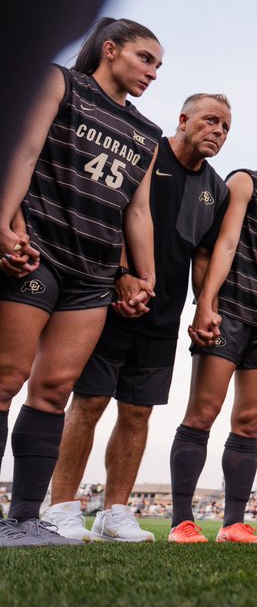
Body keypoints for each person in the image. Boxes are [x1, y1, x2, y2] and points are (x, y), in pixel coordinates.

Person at [0, 17, 162, 546]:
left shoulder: (147, 133)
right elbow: (23, 152)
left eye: (158, 66)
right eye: (145, 58)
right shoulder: (62, 83)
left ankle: (25, 519)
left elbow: (138, 210)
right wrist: (4, 221)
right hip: (39, 250)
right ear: (110, 49)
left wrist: (144, 275)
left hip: (94, 272)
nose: (152, 72)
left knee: (53, 391)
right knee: (6, 378)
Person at [42, 93, 230, 543]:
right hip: (112, 297)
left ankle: (115, 513)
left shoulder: (217, 189)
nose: (218, 132)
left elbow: (203, 254)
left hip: (163, 313)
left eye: (225, 127)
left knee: (138, 411)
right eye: (210, 121)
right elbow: (118, 212)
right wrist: (124, 275)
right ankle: (60, 507)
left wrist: (205, 305)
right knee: (89, 401)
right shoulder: (147, 152)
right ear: (182, 119)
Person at [167, 127, 257, 544]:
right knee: (202, 413)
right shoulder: (247, 181)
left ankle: (233, 524)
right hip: (230, 313)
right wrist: (206, 302)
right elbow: (225, 244)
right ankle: (181, 521)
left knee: (248, 423)